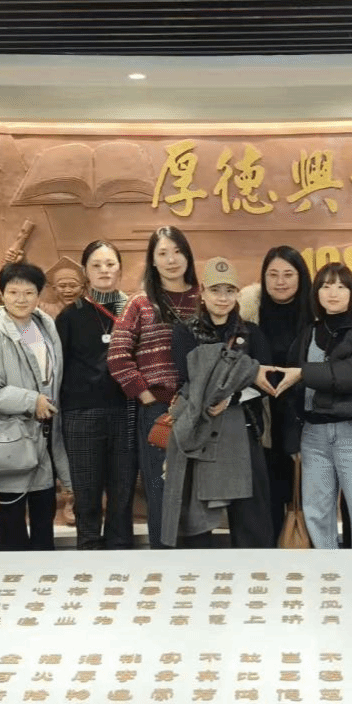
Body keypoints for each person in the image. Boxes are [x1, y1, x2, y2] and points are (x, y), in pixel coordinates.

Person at [163, 257, 277, 548]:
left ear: (238, 293)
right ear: (202, 292)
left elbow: (267, 380)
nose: (222, 298)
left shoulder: (251, 332)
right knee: (196, 523)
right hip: (200, 430)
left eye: (229, 291)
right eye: (215, 290)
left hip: (244, 429)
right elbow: (189, 376)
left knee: (251, 519)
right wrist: (240, 375)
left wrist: (233, 396)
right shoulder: (185, 332)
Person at [276, 263, 352, 549]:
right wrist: (293, 439)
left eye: (341, 286)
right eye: (326, 286)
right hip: (313, 436)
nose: (333, 292)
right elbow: (291, 391)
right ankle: (327, 574)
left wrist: (305, 373)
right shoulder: (308, 333)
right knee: (316, 515)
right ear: (316, 293)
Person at [108, 226, 200, 549]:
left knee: (197, 491)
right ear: (153, 261)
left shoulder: (204, 299)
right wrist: (147, 395)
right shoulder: (140, 303)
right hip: (159, 410)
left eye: (177, 251)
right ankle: (164, 563)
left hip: (201, 410)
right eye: (163, 253)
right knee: (162, 489)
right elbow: (117, 356)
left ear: (187, 256)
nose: (171, 260)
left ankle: (199, 566)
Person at [0, 261, 72, 551]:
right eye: (13, 292)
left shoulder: (40, 327)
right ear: (2, 294)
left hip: (44, 436)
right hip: (14, 439)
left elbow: (46, 377)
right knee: (13, 516)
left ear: (39, 294)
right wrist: (32, 401)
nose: (21, 299)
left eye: (29, 292)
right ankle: (10, 575)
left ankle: (43, 575)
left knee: (44, 511)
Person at [55, 240, 138, 550]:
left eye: (110, 264)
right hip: (82, 416)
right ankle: (89, 558)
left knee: (122, 495)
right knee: (87, 496)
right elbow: (57, 367)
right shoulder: (69, 316)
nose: (104, 270)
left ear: (120, 269)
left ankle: (121, 559)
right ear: (85, 272)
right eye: (96, 265)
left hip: (127, 413)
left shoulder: (135, 312)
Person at [238, 246, 313, 539]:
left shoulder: (316, 313)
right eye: (273, 274)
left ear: (301, 277)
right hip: (262, 423)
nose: (280, 281)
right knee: (266, 504)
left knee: (304, 504)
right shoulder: (247, 316)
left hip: (306, 420)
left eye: (288, 274)